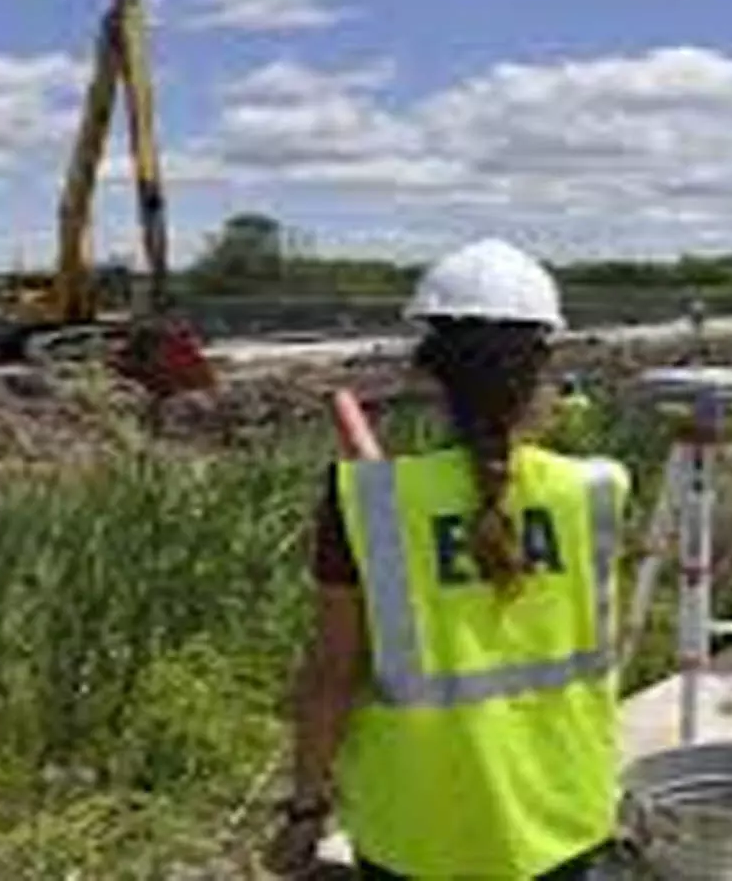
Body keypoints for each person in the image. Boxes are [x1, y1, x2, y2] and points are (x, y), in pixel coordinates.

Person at [265, 237, 633, 881]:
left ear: (430, 371)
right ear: (543, 366)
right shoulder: (598, 488)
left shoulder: (365, 501)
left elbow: (332, 675)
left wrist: (305, 809)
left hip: (417, 829)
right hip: (567, 813)